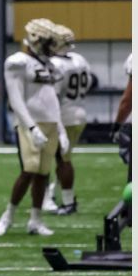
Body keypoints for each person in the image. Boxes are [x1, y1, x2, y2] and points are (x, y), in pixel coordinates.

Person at [0, 18, 68, 236]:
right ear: (37, 40)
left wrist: (61, 130)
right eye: (49, 42)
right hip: (30, 124)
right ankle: (8, 215)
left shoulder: (49, 65)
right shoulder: (17, 61)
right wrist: (32, 128)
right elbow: (15, 99)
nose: (52, 48)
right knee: (29, 170)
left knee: (43, 173)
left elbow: (53, 100)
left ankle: (35, 220)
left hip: (51, 123)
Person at [44, 24, 92, 214]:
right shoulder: (79, 59)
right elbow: (89, 83)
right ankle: (53, 194)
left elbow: (52, 96)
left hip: (63, 115)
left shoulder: (55, 64)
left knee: (60, 160)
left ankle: (67, 201)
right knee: (63, 158)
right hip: (79, 112)